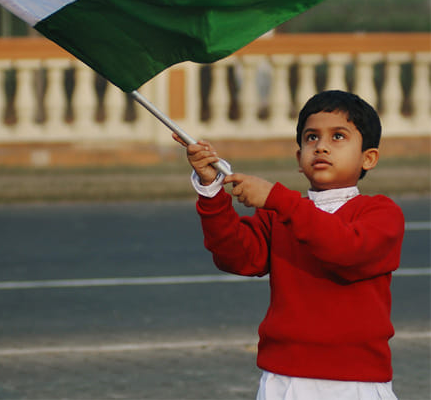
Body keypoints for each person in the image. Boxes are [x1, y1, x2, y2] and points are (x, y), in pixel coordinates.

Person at [173, 89, 404, 400]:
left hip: (356, 381)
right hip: (283, 379)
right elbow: (236, 258)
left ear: (369, 158)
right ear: (299, 158)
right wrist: (210, 189)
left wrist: (278, 199)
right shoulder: (278, 214)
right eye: (311, 137)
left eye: (338, 136)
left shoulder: (381, 213)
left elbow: (346, 251)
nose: (321, 146)